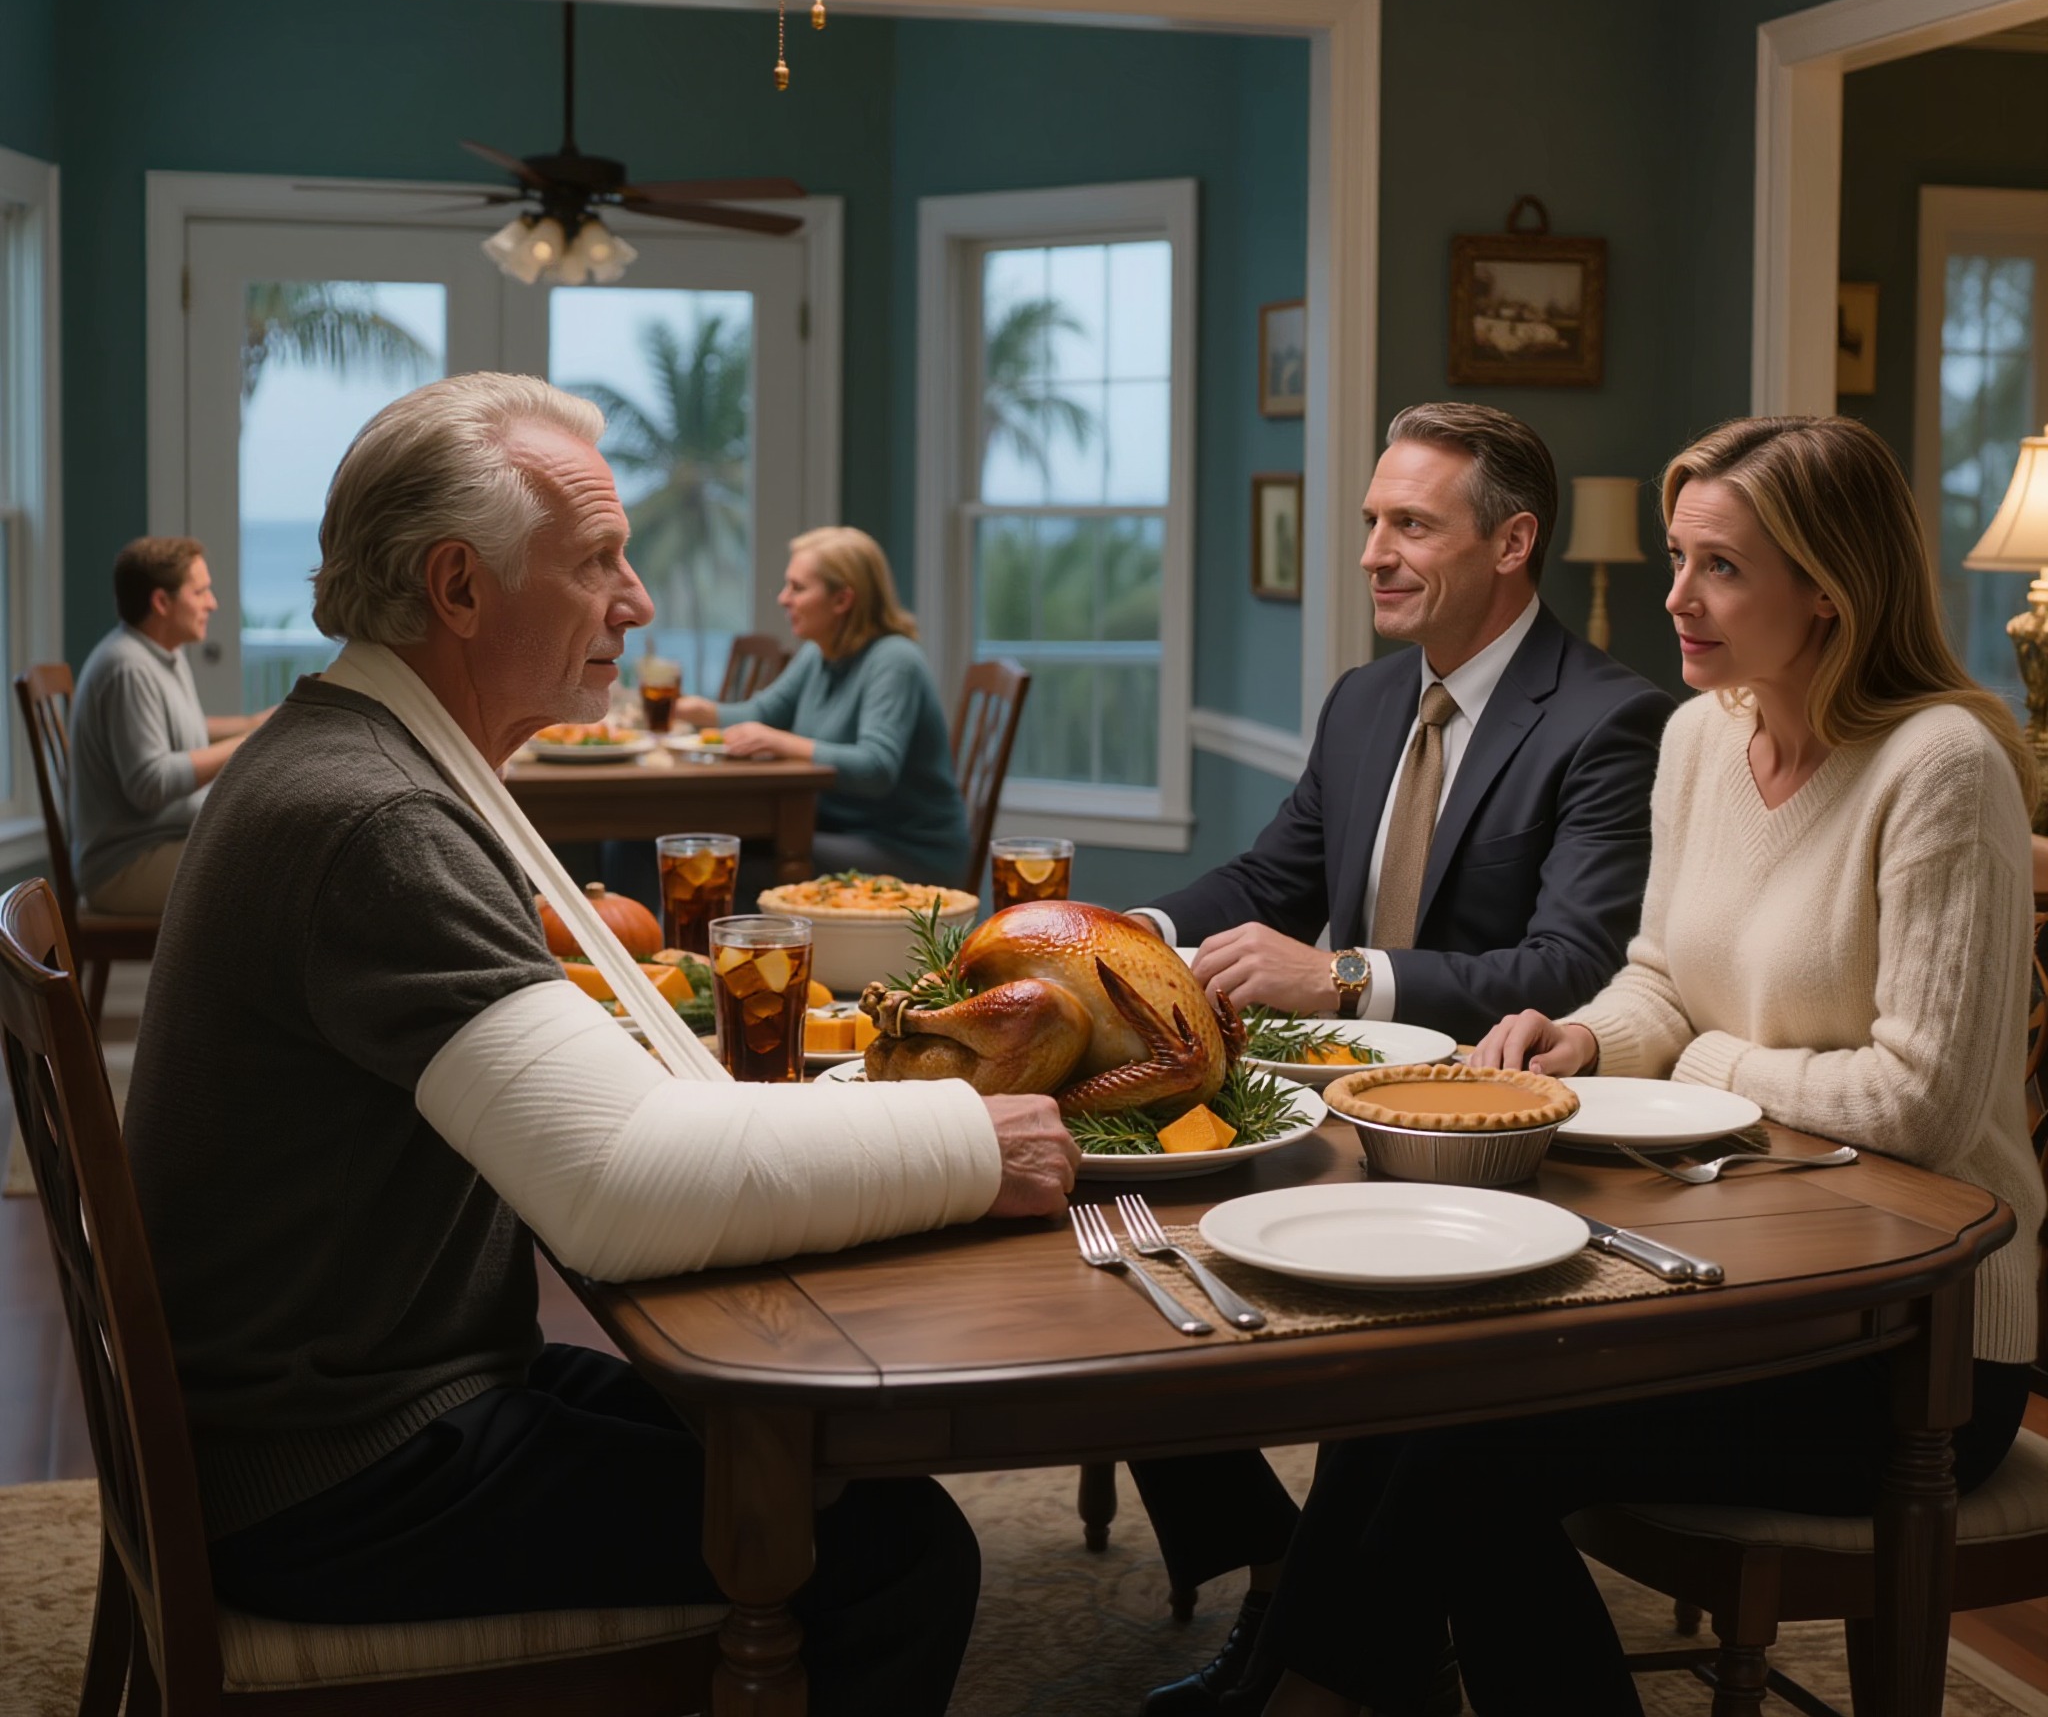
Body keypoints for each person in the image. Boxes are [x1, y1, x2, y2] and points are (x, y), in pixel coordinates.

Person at [122, 376, 1079, 1717]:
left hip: (350, 1398)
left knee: (816, 1451)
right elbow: (624, 1188)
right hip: (339, 1468)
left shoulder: (361, 749)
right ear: (459, 587)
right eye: (596, 565)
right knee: (899, 1553)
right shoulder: (374, 814)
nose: (635, 603)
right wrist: (976, 1142)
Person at [1249, 414, 2045, 1717]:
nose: (1674, 595)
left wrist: (1710, 1067)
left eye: (1719, 567)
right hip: (1752, 1261)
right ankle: (1330, 1683)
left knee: (1479, 1447)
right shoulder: (1698, 738)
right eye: (1677, 558)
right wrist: (1583, 1040)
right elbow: (1663, 977)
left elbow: (1920, 1101)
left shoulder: (1943, 767)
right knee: (1417, 1385)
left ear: (1829, 590)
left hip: (1913, 1348)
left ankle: (1323, 1690)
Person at [1136, 403, 1673, 1714]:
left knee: (1377, 1385)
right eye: (1373, 521)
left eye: (1411, 524)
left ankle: (1319, 1658)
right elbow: (1274, 877)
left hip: (1499, 1150)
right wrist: (1115, 937)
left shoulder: (1611, 718)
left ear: (1513, 542)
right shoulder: (1369, 697)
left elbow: (1568, 963)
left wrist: (1339, 974)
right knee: (1129, 1262)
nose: (1373, 550)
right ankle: (1280, 1578)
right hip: (1336, 1112)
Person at [673, 525, 970, 886]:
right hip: (838, 833)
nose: (783, 598)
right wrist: (689, 711)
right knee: (706, 849)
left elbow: (876, 768)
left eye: (797, 588)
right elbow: (762, 715)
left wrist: (781, 742)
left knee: (730, 869)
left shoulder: (895, 660)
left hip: (909, 852)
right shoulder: (818, 654)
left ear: (842, 600)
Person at [68, 536, 266, 916]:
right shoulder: (128, 668)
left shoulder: (161, 654)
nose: (213, 603)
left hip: (157, 844)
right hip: (124, 867)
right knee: (263, 875)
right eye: (200, 591)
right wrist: (249, 742)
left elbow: (180, 730)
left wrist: (255, 722)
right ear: (161, 602)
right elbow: (149, 782)